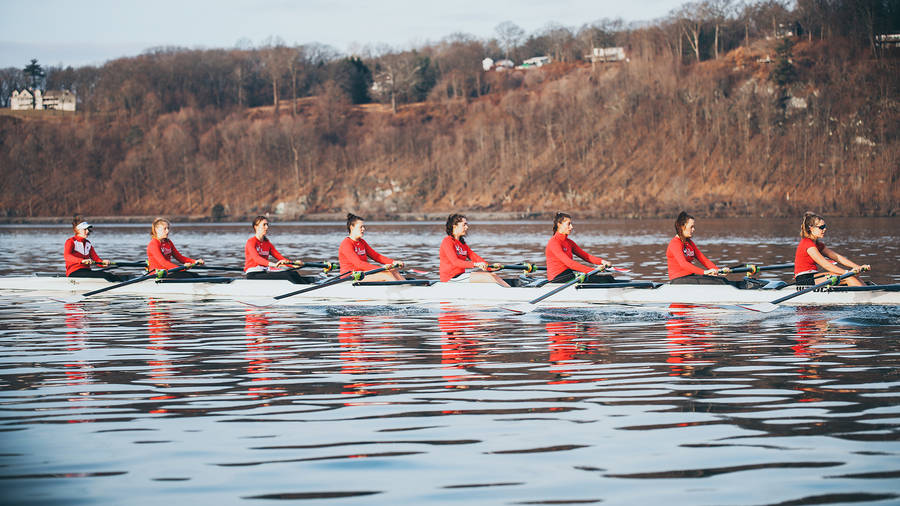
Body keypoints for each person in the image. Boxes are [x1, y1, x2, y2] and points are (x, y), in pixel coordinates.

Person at [794, 212, 868, 286]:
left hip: (814, 276)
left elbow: (837, 257)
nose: (825, 229)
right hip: (804, 279)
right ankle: (862, 292)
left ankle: (865, 291)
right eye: (821, 227)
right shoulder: (807, 244)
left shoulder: (818, 245)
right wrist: (846, 273)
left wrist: (857, 267)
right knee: (849, 277)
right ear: (811, 228)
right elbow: (826, 265)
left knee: (853, 277)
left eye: (825, 226)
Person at [439, 214, 509, 286]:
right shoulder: (447, 241)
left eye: (466, 224)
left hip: (460, 276)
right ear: (455, 226)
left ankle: (509, 289)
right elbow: (456, 262)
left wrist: (490, 267)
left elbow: (475, 258)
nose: (467, 227)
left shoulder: (462, 244)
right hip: (450, 279)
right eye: (464, 225)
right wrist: (476, 265)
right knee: (488, 277)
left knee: (493, 275)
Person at [545, 212, 614, 283]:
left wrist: (602, 261)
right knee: (606, 279)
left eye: (571, 224)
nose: (571, 227)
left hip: (568, 275)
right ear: (559, 224)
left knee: (609, 278)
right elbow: (570, 263)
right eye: (568, 224)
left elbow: (586, 256)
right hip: (557, 278)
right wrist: (593, 271)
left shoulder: (569, 242)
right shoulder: (554, 242)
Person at [666, 211, 729, 284]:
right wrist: (704, 272)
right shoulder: (675, 243)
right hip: (678, 280)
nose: (693, 229)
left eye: (693, 227)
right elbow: (683, 264)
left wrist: (718, 271)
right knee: (720, 282)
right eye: (691, 227)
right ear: (682, 227)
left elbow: (703, 259)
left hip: (689, 277)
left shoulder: (689, 242)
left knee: (722, 280)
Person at [244, 216, 312, 284]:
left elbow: (279, 257)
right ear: (256, 227)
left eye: (267, 224)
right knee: (287, 275)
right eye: (264, 225)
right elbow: (257, 259)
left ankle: (308, 285)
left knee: (293, 273)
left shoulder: (267, 243)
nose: (267, 227)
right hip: (253, 274)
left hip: (264, 271)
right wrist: (274, 265)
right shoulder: (251, 242)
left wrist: (293, 264)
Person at [338, 213, 403, 282]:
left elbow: (376, 256)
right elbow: (359, 264)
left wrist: (393, 262)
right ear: (352, 227)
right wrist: (382, 269)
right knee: (386, 274)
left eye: (363, 227)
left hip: (362, 274)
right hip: (350, 277)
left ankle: (404, 285)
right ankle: (399, 286)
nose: (363, 229)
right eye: (361, 227)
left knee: (393, 270)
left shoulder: (362, 242)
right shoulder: (346, 244)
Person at [64, 215, 125, 282]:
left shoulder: (88, 243)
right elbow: (67, 256)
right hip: (74, 272)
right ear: (77, 230)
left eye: (88, 229)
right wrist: (82, 261)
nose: (87, 231)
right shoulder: (70, 241)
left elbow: (96, 259)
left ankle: (122, 284)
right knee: (107, 275)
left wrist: (103, 263)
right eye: (85, 229)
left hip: (86, 271)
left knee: (111, 275)